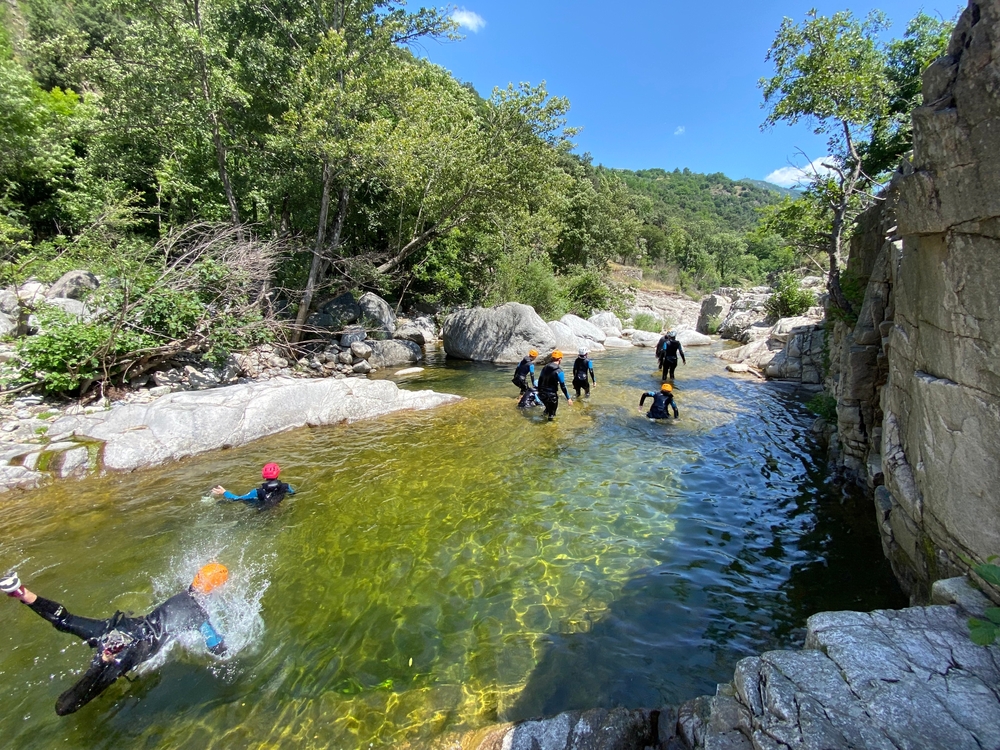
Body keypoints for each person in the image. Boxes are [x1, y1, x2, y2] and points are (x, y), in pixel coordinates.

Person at [1, 563, 229, 716]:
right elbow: (217, 647)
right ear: (214, 589)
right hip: (134, 647)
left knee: (67, 620)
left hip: (123, 627)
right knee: (65, 707)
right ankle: (103, 660)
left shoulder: (181, 595)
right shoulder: (200, 616)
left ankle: (21, 592)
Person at [212, 462, 295, 509]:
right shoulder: (286, 486)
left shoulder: (257, 492)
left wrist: (224, 492)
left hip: (262, 508)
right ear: (278, 474)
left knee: (223, 502)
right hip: (277, 506)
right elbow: (293, 494)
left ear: (263, 476)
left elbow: (237, 499)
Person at [536, 350, 573, 420]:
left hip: (542, 394)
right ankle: (550, 429)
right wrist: (568, 398)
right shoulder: (559, 371)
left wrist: (539, 392)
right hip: (551, 396)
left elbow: (540, 380)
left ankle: (540, 419)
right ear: (559, 359)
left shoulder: (545, 367)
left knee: (547, 409)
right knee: (551, 415)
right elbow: (563, 386)